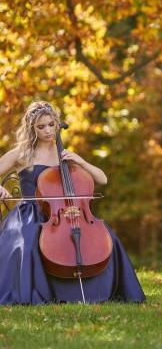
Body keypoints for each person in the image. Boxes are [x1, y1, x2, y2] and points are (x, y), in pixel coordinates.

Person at [0, 101, 145, 304]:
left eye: (51, 124)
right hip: (31, 212)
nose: (48, 131)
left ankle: (102, 291)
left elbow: (102, 179)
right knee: (28, 237)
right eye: (41, 127)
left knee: (107, 236)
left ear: (58, 124)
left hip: (65, 213)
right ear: (31, 128)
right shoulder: (22, 153)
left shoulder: (65, 154)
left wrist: (81, 161)